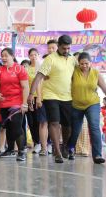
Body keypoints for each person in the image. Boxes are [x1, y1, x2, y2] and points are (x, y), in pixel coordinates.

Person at [28, 35, 77, 163]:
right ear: (58, 46)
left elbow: (79, 75)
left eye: (68, 48)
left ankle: (64, 145)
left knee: (67, 125)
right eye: (63, 48)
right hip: (51, 95)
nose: (66, 50)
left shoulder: (73, 59)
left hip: (67, 96)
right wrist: (31, 94)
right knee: (54, 122)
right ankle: (57, 152)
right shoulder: (50, 59)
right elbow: (38, 76)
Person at [67, 52, 106, 164]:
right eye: (81, 64)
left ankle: (97, 155)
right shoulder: (73, 72)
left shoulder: (96, 73)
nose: (84, 66)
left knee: (94, 127)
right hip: (76, 105)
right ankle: (71, 148)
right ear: (78, 63)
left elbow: (105, 90)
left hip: (92, 103)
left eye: (86, 63)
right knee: (75, 130)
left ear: (90, 63)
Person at [0, 48, 29, 161]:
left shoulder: (20, 69)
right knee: (8, 127)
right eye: (2, 56)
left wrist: (24, 103)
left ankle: (21, 151)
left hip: (17, 103)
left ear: (12, 56)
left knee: (16, 127)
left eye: (6, 55)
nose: (3, 58)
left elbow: (25, 87)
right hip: (3, 103)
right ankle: (10, 150)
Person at [25, 48, 46, 154]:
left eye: (35, 55)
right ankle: (36, 142)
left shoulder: (42, 67)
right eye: (31, 55)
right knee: (31, 121)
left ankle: (44, 144)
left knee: (41, 121)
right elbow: (25, 85)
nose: (33, 57)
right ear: (28, 56)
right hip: (30, 97)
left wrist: (39, 97)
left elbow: (42, 83)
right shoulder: (26, 69)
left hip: (40, 97)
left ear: (38, 55)